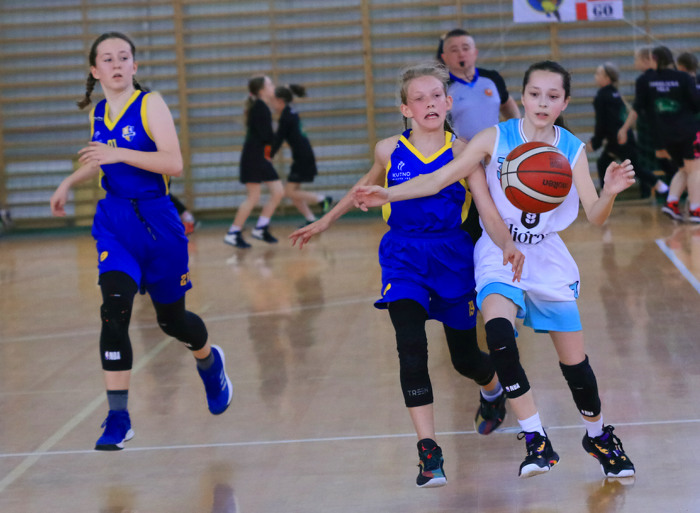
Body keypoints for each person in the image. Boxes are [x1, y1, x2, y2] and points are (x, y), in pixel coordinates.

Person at [354, 60, 637, 479]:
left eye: (553, 96)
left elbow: (594, 215)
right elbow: (439, 179)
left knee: (575, 364)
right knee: (500, 338)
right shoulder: (494, 138)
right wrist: (388, 194)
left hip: (546, 255)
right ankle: (535, 437)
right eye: (535, 94)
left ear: (565, 103)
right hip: (498, 251)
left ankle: (597, 436)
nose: (543, 103)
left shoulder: (571, 149)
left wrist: (609, 192)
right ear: (522, 97)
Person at [290, 62, 524, 488]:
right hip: (403, 257)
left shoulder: (464, 151)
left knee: (464, 358)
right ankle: (428, 450)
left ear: (448, 103)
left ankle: (491, 390)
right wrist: (325, 221)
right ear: (405, 109)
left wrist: (506, 243)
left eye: (436, 96)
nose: (429, 103)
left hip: (451, 256)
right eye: (419, 98)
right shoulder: (388, 150)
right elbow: (363, 188)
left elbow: (487, 209)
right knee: (410, 347)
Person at [49, 32, 233, 450]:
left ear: (134, 65)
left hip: (157, 223)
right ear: (95, 71)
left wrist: (119, 154)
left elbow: (174, 163)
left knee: (172, 321)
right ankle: (118, 418)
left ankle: (209, 362)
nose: (116, 64)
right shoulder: (99, 112)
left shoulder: (151, 104)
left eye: (123, 57)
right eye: (107, 59)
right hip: (115, 222)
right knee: (114, 312)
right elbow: (99, 158)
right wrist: (67, 182)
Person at [439, 28, 521, 242]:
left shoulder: (491, 78)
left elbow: (508, 106)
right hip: (462, 163)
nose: (461, 53)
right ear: (444, 57)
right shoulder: (441, 86)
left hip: (496, 161)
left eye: (465, 48)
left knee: (501, 214)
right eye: (454, 50)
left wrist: (516, 133)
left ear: (475, 52)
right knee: (470, 219)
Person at [619, 46, 699, 222]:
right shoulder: (683, 78)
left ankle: (671, 203)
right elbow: (696, 104)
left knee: (683, 169)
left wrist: (624, 129)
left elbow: (637, 108)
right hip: (686, 131)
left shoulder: (646, 81)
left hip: (664, 135)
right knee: (695, 170)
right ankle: (696, 210)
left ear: (654, 60)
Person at [586, 62, 668, 196]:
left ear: (607, 78)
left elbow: (602, 123)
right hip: (620, 137)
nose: (595, 76)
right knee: (603, 163)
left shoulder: (602, 96)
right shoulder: (615, 93)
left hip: (619, 139)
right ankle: (605, 195)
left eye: (598, 73)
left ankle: (661, 187)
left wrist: (596, 142)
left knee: (634, 168)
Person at [224, 75, 284, 248]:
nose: (273, 86)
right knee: (253, 197)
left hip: (259, 157)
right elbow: (267, 137)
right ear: (262, 90)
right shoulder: (260, 108)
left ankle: (260, 228)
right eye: (270, 84)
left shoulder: (262, 107)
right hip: (253, 158)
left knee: (278, 191)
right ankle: (233, 232)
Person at [270, 84, 332, 226]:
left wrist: (268, 156)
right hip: (302, 156)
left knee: (288, 192)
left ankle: (322, 199)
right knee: (293, 191)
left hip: (303, 158)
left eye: (273, 101)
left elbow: (278, 140)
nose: (272, 104)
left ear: (280, 101)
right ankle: (310, 219)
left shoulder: (286, 117)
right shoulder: (290, 112)